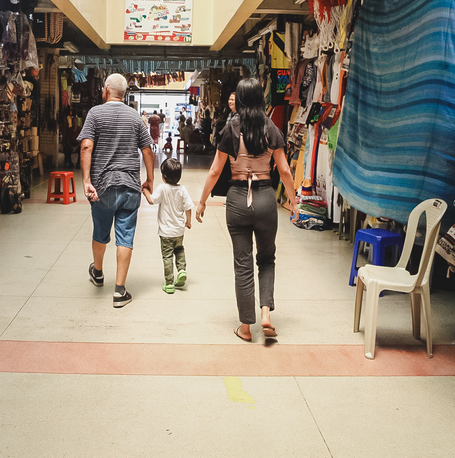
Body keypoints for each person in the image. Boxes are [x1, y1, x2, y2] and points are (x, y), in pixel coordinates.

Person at [195, 78, 298, 342]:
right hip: (264, 198)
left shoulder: (231, 128)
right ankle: (265, 313)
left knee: (243, 265)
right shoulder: (271, 128)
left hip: (238, 199)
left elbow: (216, 170)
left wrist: (203, 200)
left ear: (239, 100)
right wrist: (294, 201)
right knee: (267, 258)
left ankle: (245, 327)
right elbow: (285, 170)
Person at [79, 74, 156, 308]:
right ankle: (120, 291)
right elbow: (147, 150)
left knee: (100, 232)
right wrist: (150, 179)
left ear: (105, 90)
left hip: (102, 187)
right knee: (126, 236)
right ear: (124, 93)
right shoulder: (135, 116)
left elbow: (86, 145)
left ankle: (99, 272)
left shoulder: (95, 113)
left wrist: (86, 180)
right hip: (131, 186)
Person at [143, 158, 193, 294]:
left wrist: (145, 190)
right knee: (179, 250)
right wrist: (188, 221)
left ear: (164, 177)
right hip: (179, 230)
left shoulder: (162, 188)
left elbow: (151, 200)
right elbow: (188, 207)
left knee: (167, 256)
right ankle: (182, 270)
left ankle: (169, 283)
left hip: (166, 232)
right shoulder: (182, 189)